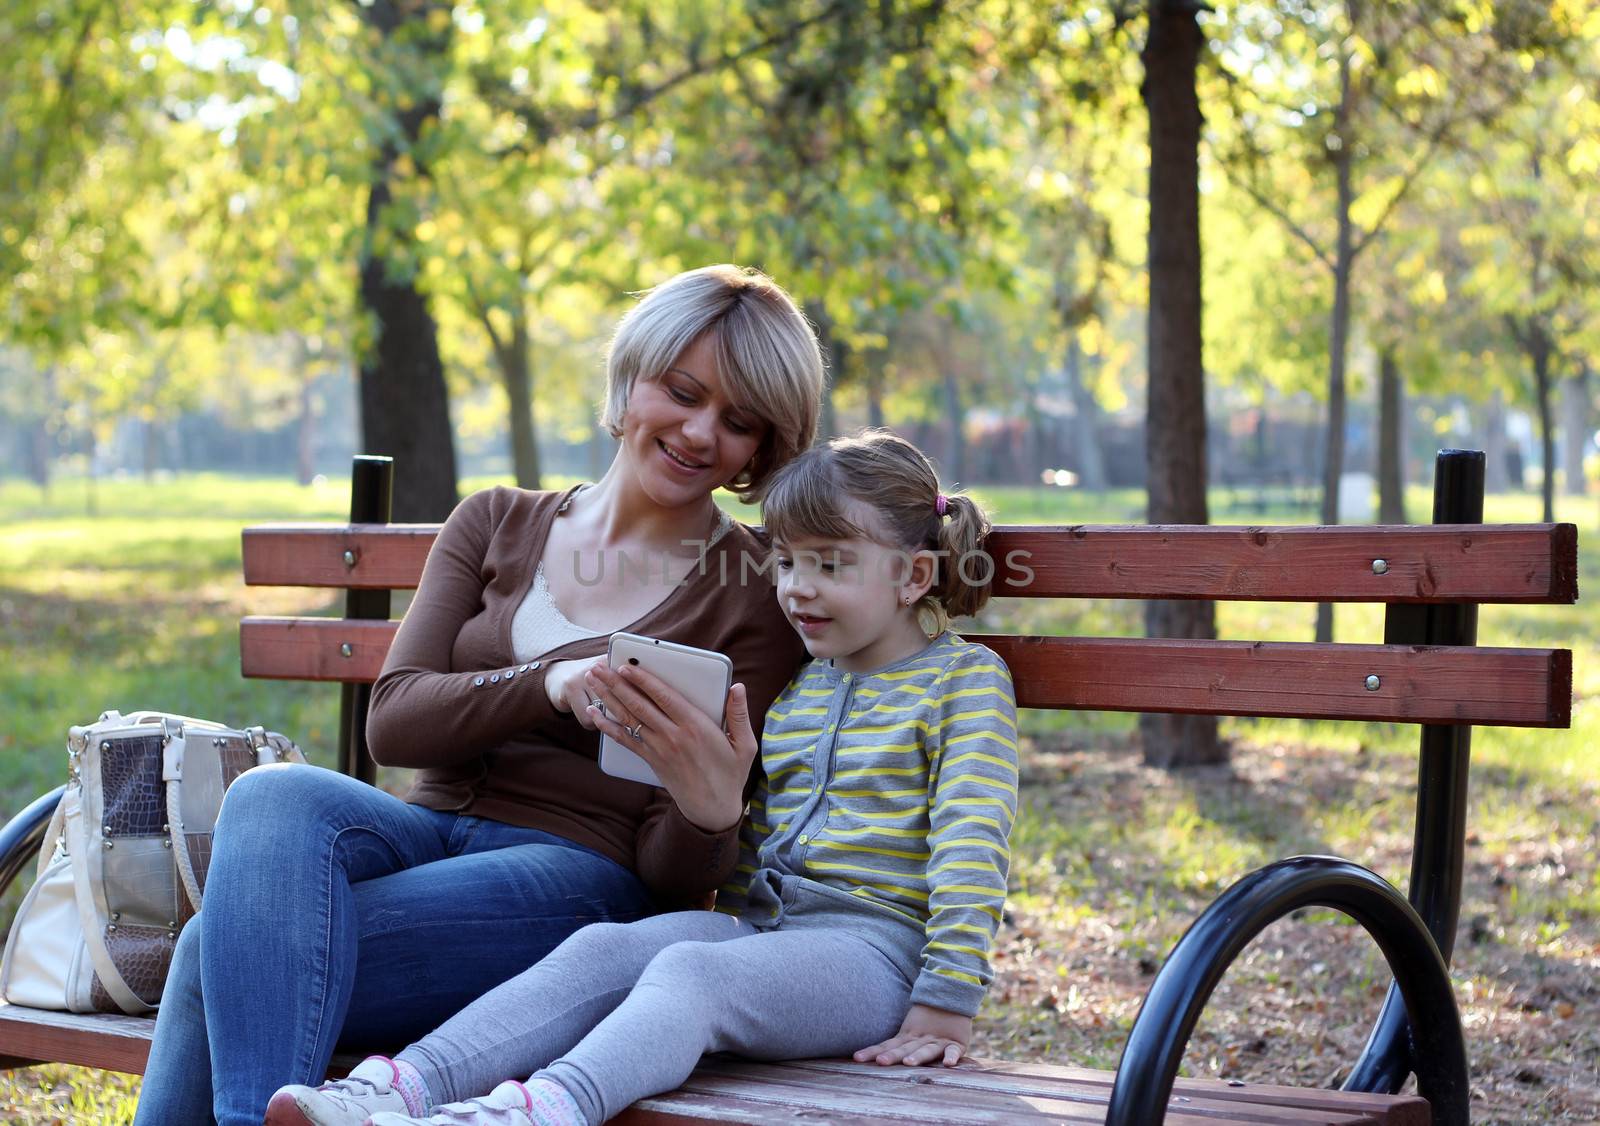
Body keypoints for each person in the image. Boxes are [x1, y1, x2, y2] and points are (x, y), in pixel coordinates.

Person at [133, 264, 825, 1126]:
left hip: (577, 881)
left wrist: (711, 812)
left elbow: (668, 879)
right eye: (681, 392)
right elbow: (397, 722)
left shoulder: (751, 589)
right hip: (428, 836)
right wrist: (550, 682)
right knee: (274, 798)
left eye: (737, 421)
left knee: (211, 952)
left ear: (761, 449)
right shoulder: (496, 520)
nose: (698, 432)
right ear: (633, 375)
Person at [269, 429, 1020, 1126]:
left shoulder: (962, 682)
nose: (798, 588)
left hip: (876, 955)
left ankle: (544, 1109)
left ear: (914, 575)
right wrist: (724, 909)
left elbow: (971, 842)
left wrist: (946, 1000)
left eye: (831, 565)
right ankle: (397, 1089)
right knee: (606, 948)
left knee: (692, 975)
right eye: (787, 561)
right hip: (766, 930)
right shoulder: (804, 687)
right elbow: (757, 833)